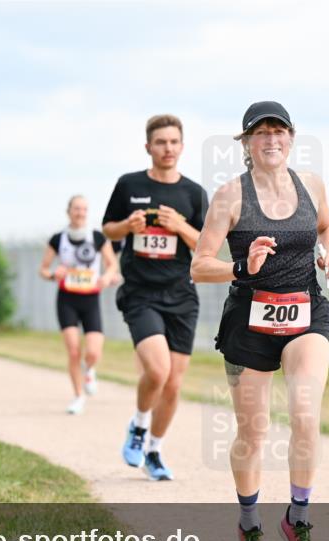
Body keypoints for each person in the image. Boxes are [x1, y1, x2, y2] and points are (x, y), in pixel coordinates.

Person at [190, 102, 329, 541]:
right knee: (254, 433)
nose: (271, 140)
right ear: (246, 144)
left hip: (305, 312)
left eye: (279, 131)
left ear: (291, 139)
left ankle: (298, 520)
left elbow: (327, 226)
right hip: (250, 321)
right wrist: (243, 266)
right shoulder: (229, 197)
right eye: (261, 133)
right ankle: (250, 526)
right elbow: (198, 266)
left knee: (304, 411)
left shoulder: (311, 185)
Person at [102, 114, 209, 481]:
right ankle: (138, 424)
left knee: (174, 384)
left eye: (174, 142)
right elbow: (108, 229)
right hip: (140, 293)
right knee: (157, 370)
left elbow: (205, 247)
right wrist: (126, 227)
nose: (168, 148)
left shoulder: (193, 193)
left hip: (181, 294)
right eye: (161, 142)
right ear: (148, 147)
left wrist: (179, 226)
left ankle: (154, 451)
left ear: (182, 146)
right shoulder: (128, 185)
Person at [39, 195, 119, 415]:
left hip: (90, 299)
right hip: (67, 299)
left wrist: (107, 276)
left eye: (84, 209)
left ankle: (90, 369)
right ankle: (77, 396)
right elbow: (43, 269)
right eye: (76, 208)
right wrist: (54, 273)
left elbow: (112, 264)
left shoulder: (97, 237)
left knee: (93, 351)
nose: (80, 212)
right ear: (69, 211)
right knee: (74, 351)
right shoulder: (58, 239)